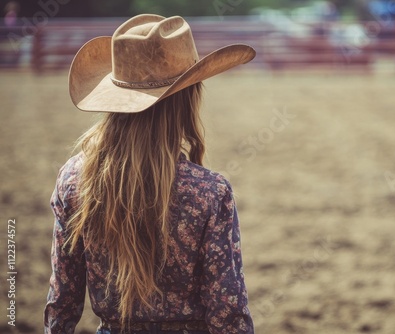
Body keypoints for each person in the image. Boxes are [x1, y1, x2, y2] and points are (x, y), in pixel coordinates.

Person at [44, 14, 256, 334]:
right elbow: (227, 311)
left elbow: (62, 301)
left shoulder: (75, 181)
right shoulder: (210, 193)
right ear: (188, 97)